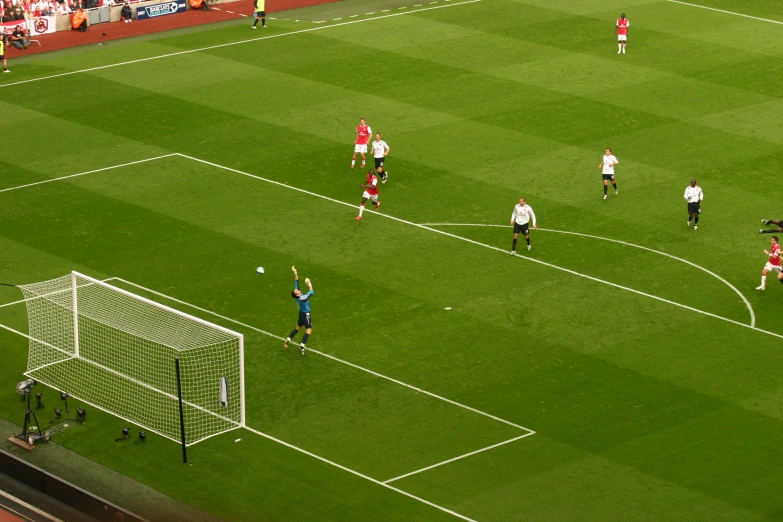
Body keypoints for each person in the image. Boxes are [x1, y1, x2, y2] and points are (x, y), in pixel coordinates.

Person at [284, 266, 313, 355]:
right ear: (297, 295)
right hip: (306, 314)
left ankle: (287, 340)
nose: (297, 289)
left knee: (298, 328)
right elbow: (311, 292)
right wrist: (309, 284)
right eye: (296, 291)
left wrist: (295, 272)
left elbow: (296, 281)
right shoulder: (302, 298)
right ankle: (302, 346)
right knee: (308, 330)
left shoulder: (297, 295)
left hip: (301, 314)